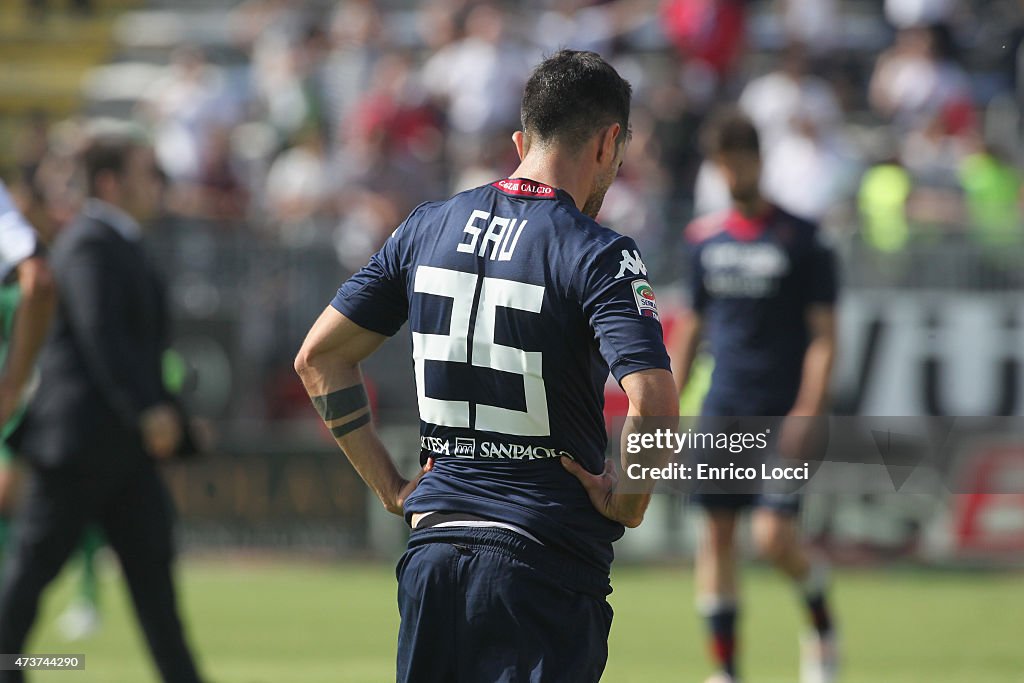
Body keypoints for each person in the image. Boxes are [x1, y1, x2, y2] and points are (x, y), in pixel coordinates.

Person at [295, 49, 678, 682]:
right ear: (610, 142)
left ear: (521, 140)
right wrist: (630, 500)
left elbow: (319, 358)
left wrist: (391, 487)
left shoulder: (427, 226)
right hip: (542, 561)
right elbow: (654, 401)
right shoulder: (598, 252)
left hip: (433, 555)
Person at [0, 136, 204, 683]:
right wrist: (149, 411)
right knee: (23, 590)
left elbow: (136, 348)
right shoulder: (90, 242)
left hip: (121, 452)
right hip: (77, 447)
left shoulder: (118, 241)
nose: (156, 183)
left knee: (157, 600)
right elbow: (102, 336)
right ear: (111, 182)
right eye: (145, 171)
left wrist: (172, 419)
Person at [667, 111, 839, 683]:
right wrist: (663, 401)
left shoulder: (803, 238)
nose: (733, 173)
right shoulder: (704, 240)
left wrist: (810, 408)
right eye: (723, 164)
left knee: (772, 537)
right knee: (715, 535)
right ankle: (727, 672)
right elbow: (691, 327)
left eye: (740, 161)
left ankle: (819, 618)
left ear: (759, 161)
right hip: (722, 407)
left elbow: (824, 337)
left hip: (783, 408)